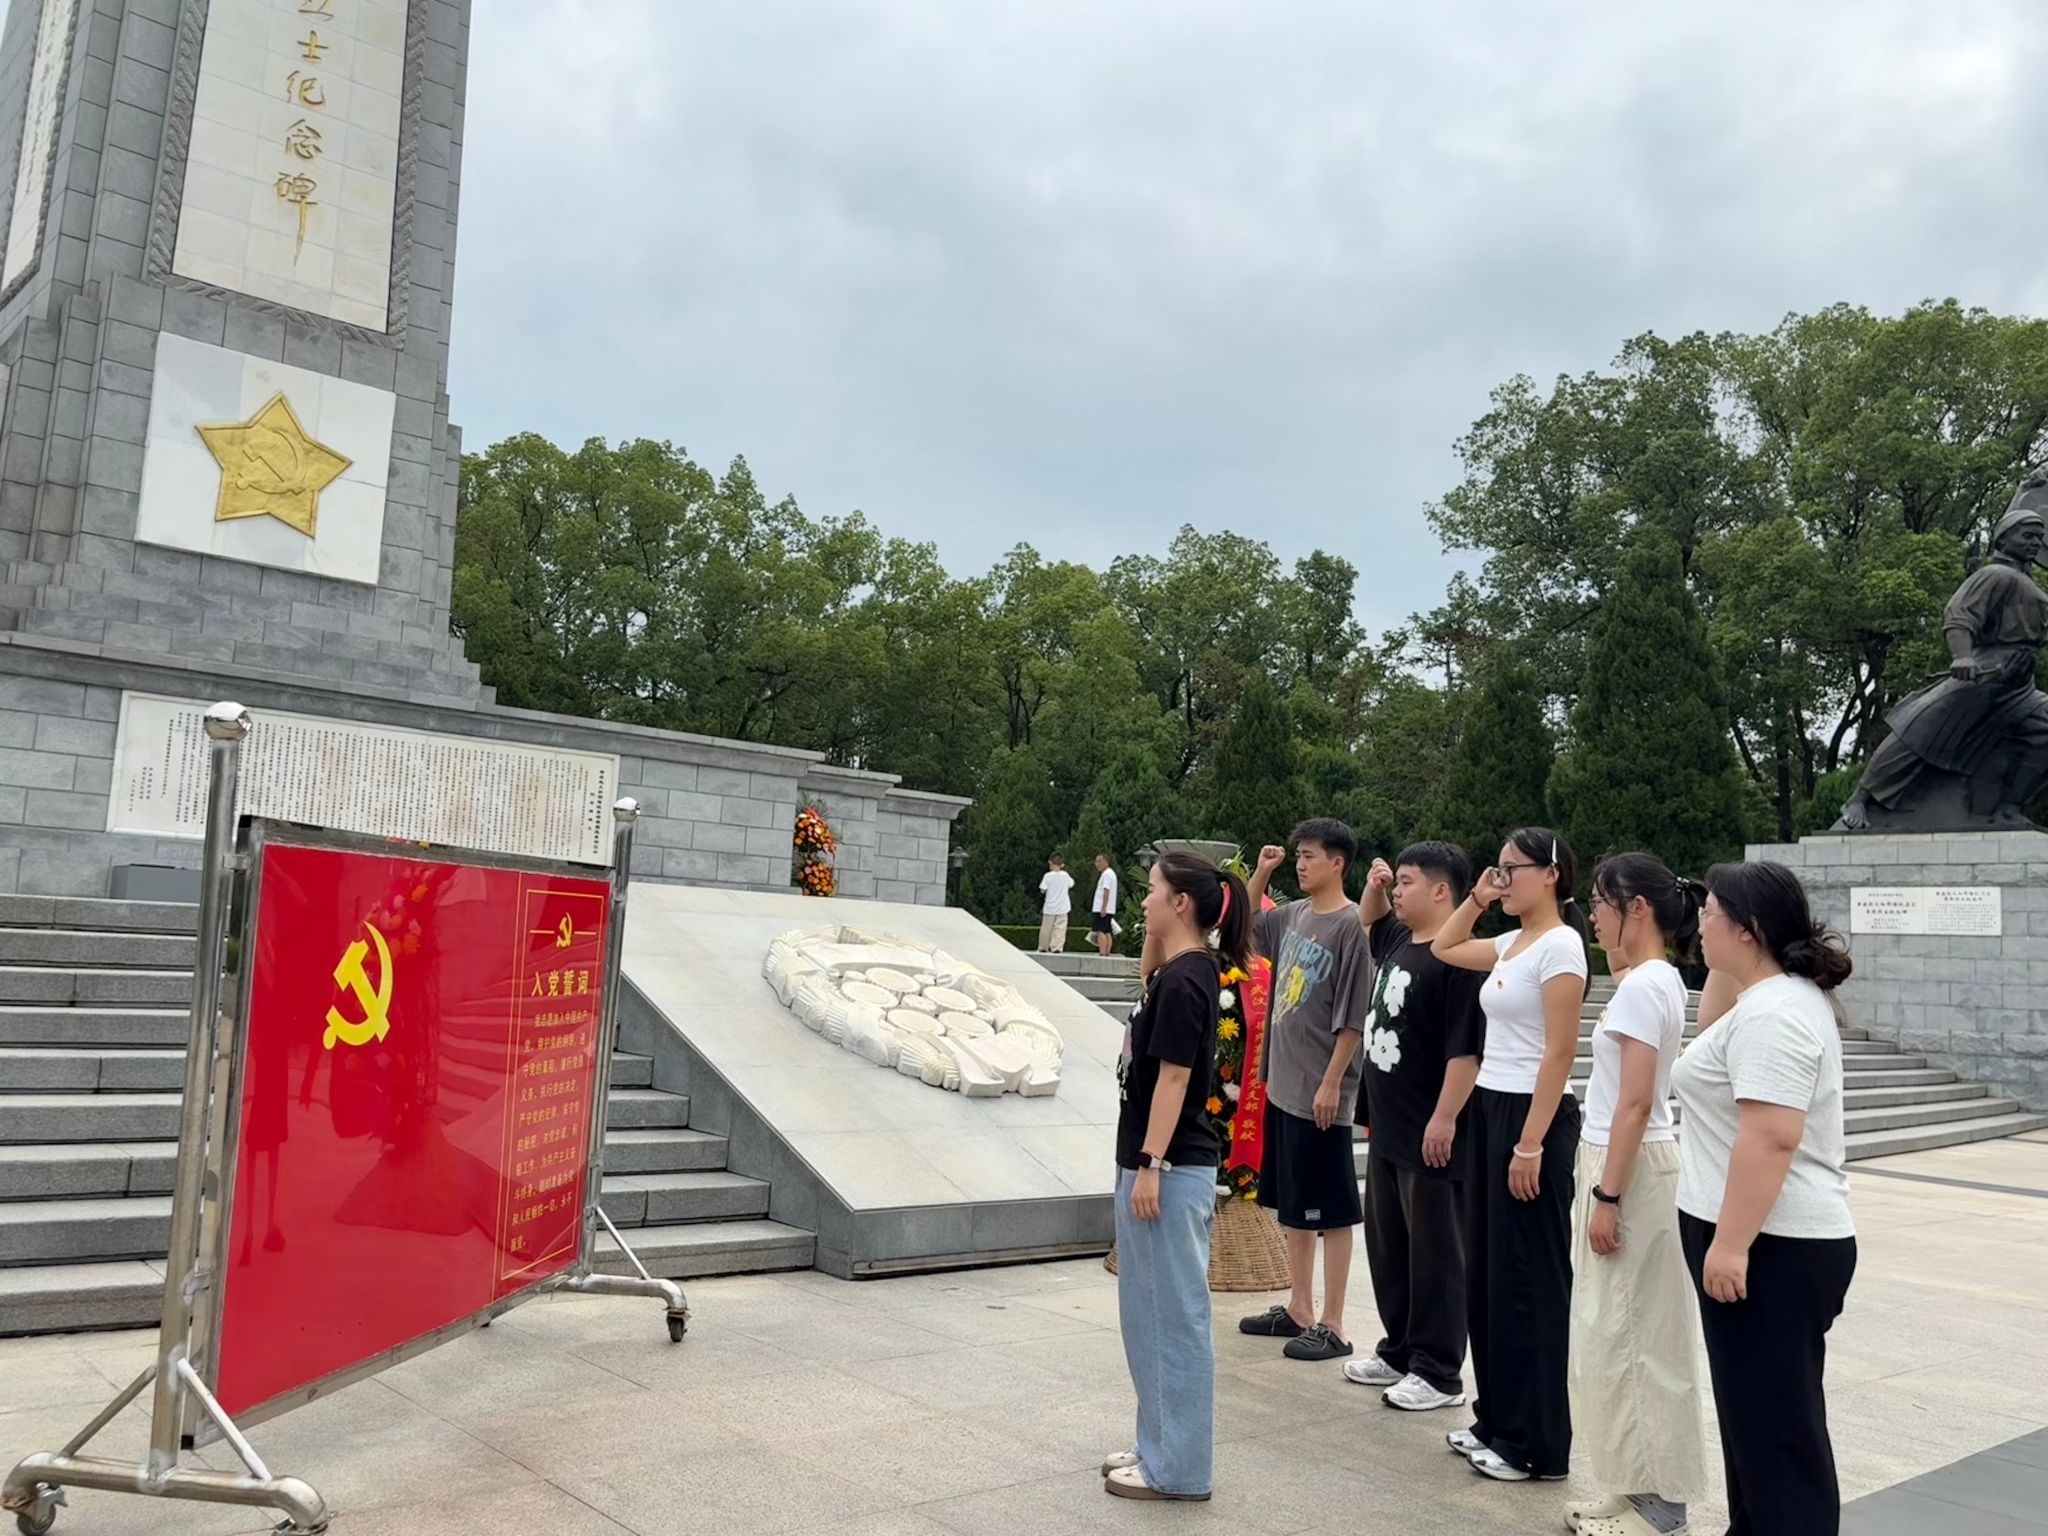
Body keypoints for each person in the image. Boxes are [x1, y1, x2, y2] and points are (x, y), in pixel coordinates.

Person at [1674, 861, 1857, 1536]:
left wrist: (1729, 1244)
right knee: (1755, 1426)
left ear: (1748, 929)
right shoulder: (1769, 997)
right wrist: (1735, 951)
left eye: (1711, 913)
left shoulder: (1776, 1014)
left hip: (1771, 1246)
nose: (1699, 924)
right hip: (1765, 1239)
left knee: (1778, 1438)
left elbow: (1772, 1136)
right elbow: (1713, 1018)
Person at [1429, 826, 1587, 1483]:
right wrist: (1478, 897)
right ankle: (1494, 1420)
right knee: (1489, 1278)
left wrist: (1530, 1143)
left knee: (1529, 1284)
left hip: (1533, 1118)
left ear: (1551, 874)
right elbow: (1443, 946)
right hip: (1490, 1108)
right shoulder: (1509, 943)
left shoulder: (1562, 945)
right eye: (1497, 869)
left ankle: (1535, 1442)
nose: (1503, 880)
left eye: (1512, 869)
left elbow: (1559, 1051)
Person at [1568, 853, 1710, 1536]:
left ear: (1638, 909)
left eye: (1602, 903)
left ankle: (1661, 1506)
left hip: (1629, 1166)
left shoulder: (1643, 986)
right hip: (1623, 1158)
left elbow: (1634, 1102)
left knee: (1638, 1335)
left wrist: (1608, 1196)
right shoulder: (1653, 980)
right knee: (1616, 1332)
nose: (1593, 916)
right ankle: (1632, 1485)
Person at [1104, 850, 1248, 1503]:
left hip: (1170, 1165)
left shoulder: (1190, 979)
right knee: (1147, 1315)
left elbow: (1174, 1077)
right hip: (1155, 1161)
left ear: (1182, 902)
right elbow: (1146, 977)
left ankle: (1180, 1469)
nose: (1143, 901)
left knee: (1173, 1318)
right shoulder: (1178, 970)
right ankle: (1157, 1444)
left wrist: (1151, 1164)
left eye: (1153, 890)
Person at [1343, 842, 1485, 1413]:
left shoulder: (1462, 958)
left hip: (1432, 1131)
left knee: (1436, 1254)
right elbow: (1368, 919)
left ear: (1442, 891)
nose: (1397, 891)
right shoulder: (1402, 939)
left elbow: (1465, 1052)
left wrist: (1445, 1117)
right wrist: (1375, 885)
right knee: (1390, 1247)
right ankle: (1400, 1349)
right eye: (1396, 882)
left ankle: (1438, 1370)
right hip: (1389, 1126)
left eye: (1407, 882)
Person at [1238, 818, 1373, 1363]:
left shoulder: (1350, 927)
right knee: (1295, 1205)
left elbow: (1353, 1016)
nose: (1300, 863)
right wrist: (1260, 872)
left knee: (1331, 1209)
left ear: (1338, 863)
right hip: (1284, 1085)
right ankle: (1298, 1307)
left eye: (1310, 855)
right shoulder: (1293, 914)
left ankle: (1334, 1323)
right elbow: (1245, 925)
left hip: (1321, 1092)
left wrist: (1332, 1082)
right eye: (1297, 855)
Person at [1037, 854, 1075, 953]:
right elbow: (1071, 884)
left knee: (1046, 928)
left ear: (1051, 863)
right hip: (1062, 906)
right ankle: (1057, 947)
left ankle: (1043, 947)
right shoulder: (1065, 875)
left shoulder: (1047, 876)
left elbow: (1042, 889)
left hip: (1050, 906)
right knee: (1060, 928)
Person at [1091, 853, 1120, 957]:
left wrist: (1103, 907)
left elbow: (1106, 890)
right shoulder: (1111, 873)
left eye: (1099, 861)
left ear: (1105, 862)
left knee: (1101, 930)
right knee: (1107, 930)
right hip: (1109, 908)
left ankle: (1102, 951)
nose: (1097, 864)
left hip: (1102, 907)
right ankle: (1107, 951)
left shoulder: (1107, 874)